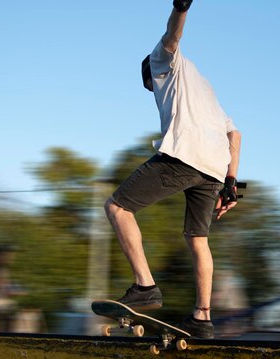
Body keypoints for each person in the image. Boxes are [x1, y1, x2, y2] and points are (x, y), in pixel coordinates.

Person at [104, 0, 242, 339]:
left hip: (185, 155)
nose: (155, 94)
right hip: (214, 167)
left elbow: (172, 36)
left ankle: (145, 286)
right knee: (198, 238)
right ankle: (202, 317)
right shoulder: (205, 88)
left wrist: (181, 7)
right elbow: (235, 134)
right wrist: (232, 184)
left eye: (151, 89)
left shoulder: (161, 62)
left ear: (151, 75)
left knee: (117, 207)